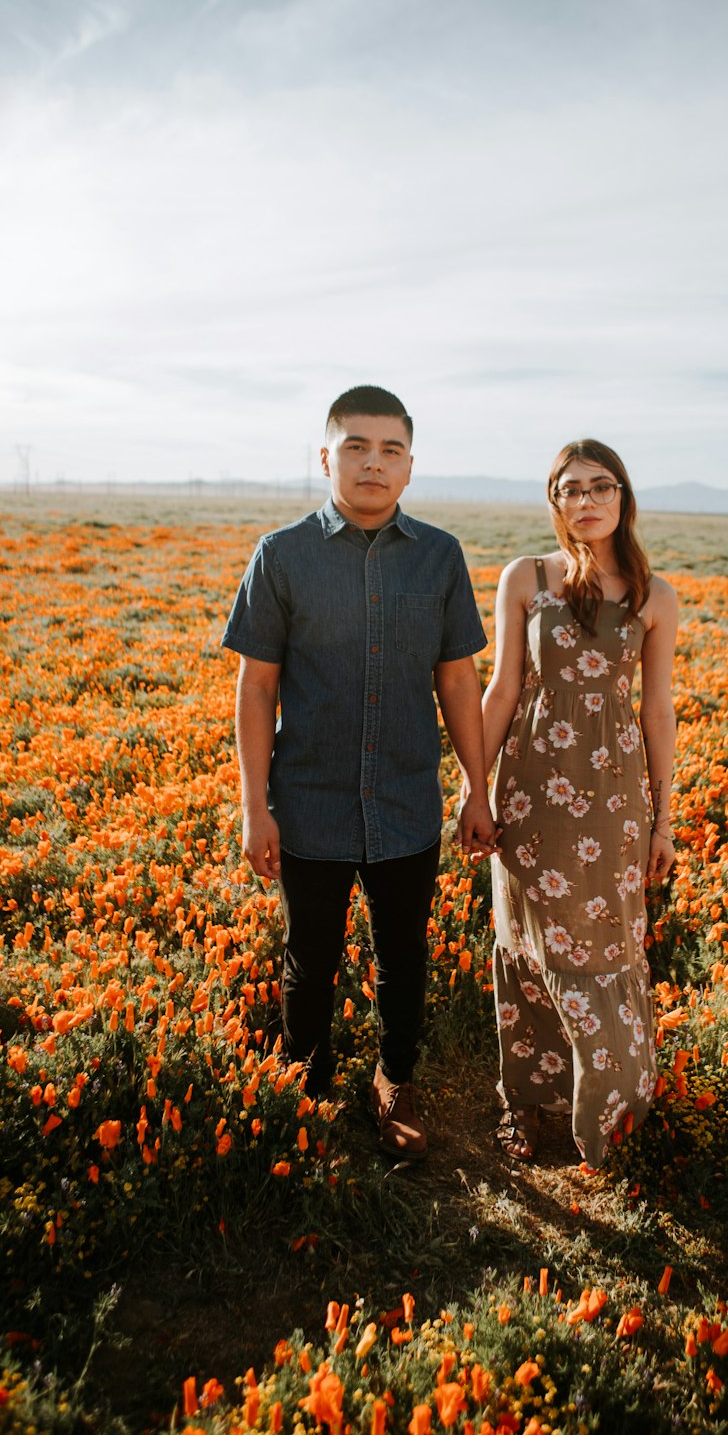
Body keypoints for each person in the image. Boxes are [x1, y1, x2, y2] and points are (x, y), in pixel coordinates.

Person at [222, 385, 495, 1162]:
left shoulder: (439, 555)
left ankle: (394, 1079)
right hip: (308, 802)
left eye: (391, 450)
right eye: (356, 447)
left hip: (407, 798)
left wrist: (478, 787)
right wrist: (255, 806)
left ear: (410, 466)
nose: (374, 463)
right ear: (325, 457)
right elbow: (258, 687)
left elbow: (457, 680)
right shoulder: (282, 555)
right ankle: (308, 1087)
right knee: (311, 954)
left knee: (403, 953)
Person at [479, 439, 677, 1166]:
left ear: (623, 498)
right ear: (554, 500)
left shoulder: (656, 595)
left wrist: (665, 820)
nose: (586, 501)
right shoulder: (526, 578)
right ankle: (531, 1103)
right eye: (571, 489)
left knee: (602, 947)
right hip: (530, 790)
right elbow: (502, 690)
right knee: (526, 943)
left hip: (613, 801)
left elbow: (657, 713)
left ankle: (610, 1118)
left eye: (601, 487)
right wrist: (474, 787)